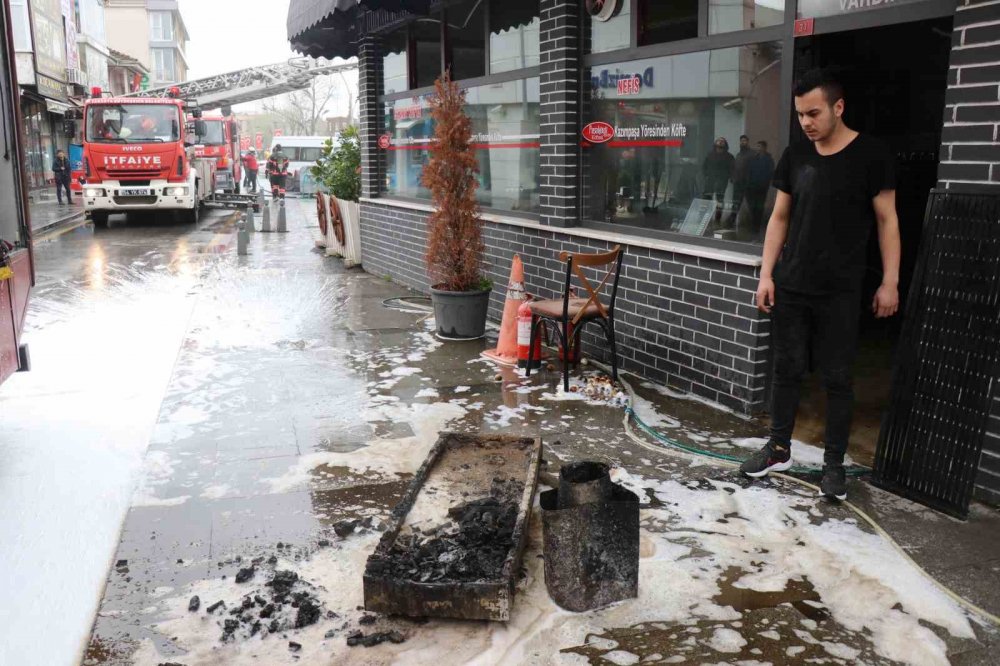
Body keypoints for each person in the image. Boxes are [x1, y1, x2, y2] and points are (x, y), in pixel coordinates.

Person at [740, 68, 900, 501]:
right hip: (792, 284)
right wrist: (766, 274)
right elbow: (779, 217)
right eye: (800, 115)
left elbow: (887, 220)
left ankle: (834, 466)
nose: (806, 122)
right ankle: (778, 448)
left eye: (813, 113)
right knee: (786, 369)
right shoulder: (796, 156)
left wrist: (890, 281)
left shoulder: (872, 155)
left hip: (841, 289)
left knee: (838, 378)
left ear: (838, 107)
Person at [745, 141, 775, 237]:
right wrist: (748, 183)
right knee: (752, 206)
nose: (758, 148)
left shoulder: (768, 159)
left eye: (760, 147)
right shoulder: (754, 158)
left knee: (759, 206)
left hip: (762, 187)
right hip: (752, 186)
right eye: (757, 146)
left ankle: (757, 226)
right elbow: (749, 171)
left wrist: (766, 183)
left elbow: (770, 173)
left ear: (764, 148)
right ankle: (753, 225)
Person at [702, 137, 734, 222]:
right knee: (707, 199)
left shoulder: (729, 157)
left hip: (721, 181)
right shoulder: (710, 155)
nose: (720, 143)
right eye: (718, 141)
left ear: (725, 144)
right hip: (710, 181)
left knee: (719, 201)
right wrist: (706, 175)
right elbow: (704, 166)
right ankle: (704, 218)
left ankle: (717, 219)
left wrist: (730, 177)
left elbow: (732, 169)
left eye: (722, 141)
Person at [730, 135, 753, 228]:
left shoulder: (752, 154)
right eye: (741, 141)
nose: (743, 142)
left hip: (748, 183)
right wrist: (733, 178)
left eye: (744, 141)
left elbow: (752, 169)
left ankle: (754, 225)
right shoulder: (739, 155)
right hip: (738, 183)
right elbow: (735, 168)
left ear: (748, 142)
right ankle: (731, 222)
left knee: (751, 205)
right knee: (735, 204)